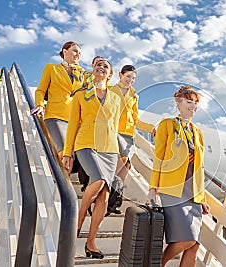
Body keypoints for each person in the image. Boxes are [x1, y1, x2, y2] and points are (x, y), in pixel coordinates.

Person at [146, 85, 210, 267]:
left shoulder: (198, 132)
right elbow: (158, 157)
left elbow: (200, 166)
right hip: (173, 190)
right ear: (178, 103)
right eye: (189, 102)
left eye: (196, 103)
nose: (193, 106)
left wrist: (202, 197)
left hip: (193, 192)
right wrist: (152, 188)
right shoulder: (167, 124)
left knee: (194, 245)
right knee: (186, 240)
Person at [62, 59, 120, 259]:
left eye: (105, 66)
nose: (101, 67)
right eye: (98, 64)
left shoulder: (116, 98)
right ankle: (77, 221)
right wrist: (68, 152)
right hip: (85, 144)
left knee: (104, 195)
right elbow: (72, 125)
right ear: (93, 70)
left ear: (109, 75)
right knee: (99, 179)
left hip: (109, 149)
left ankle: (91, 242)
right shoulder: (81, 95)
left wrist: (121, 154)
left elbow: (115, 126)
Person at [31, 41, 85, 158]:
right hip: (55, 116)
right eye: (75, 51)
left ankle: (56, 176)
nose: (78, 55)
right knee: (64, 152)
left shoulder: (83, 74)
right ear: (65, 51)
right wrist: (40, 105)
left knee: (74, 157)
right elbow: (40, 90)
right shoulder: (52, 68)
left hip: (75, 119)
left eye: (80, 53)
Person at [110, 65, 155, 183]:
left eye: (133, 78)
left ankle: (116, 193)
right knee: (123, 160)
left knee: (126, 166)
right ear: (120, 75)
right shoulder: (110, 90)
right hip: (114, 132)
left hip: (128, 133)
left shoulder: (134, 95)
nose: (130, 80)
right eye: (128, 76)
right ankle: (108, 182)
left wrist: (151, 128)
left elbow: (136, 119)